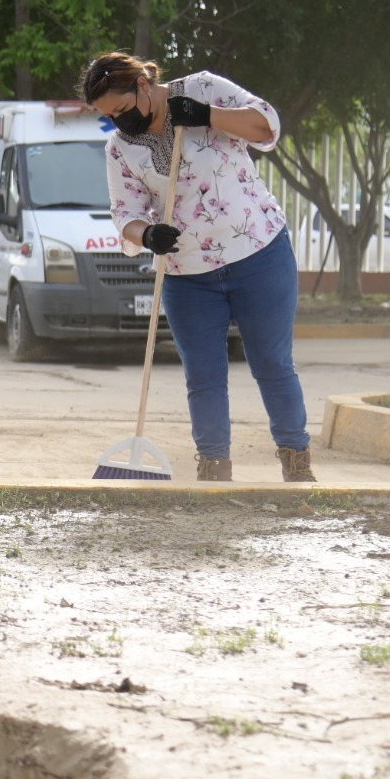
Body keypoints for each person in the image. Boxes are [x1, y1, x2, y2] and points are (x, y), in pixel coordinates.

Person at [80, 51, 316, 483]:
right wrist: (148, 235)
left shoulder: (203, 88)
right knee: (204, 375)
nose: (119, 121)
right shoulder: (120, 148)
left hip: (259, 253)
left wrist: (209, 115)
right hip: (187, 276)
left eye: (123, 108)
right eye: (109, 116)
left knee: (272, 362)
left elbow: (266, 127)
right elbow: (125, 213)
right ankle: (214, 468)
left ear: (143, 85)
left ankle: (296, 463)